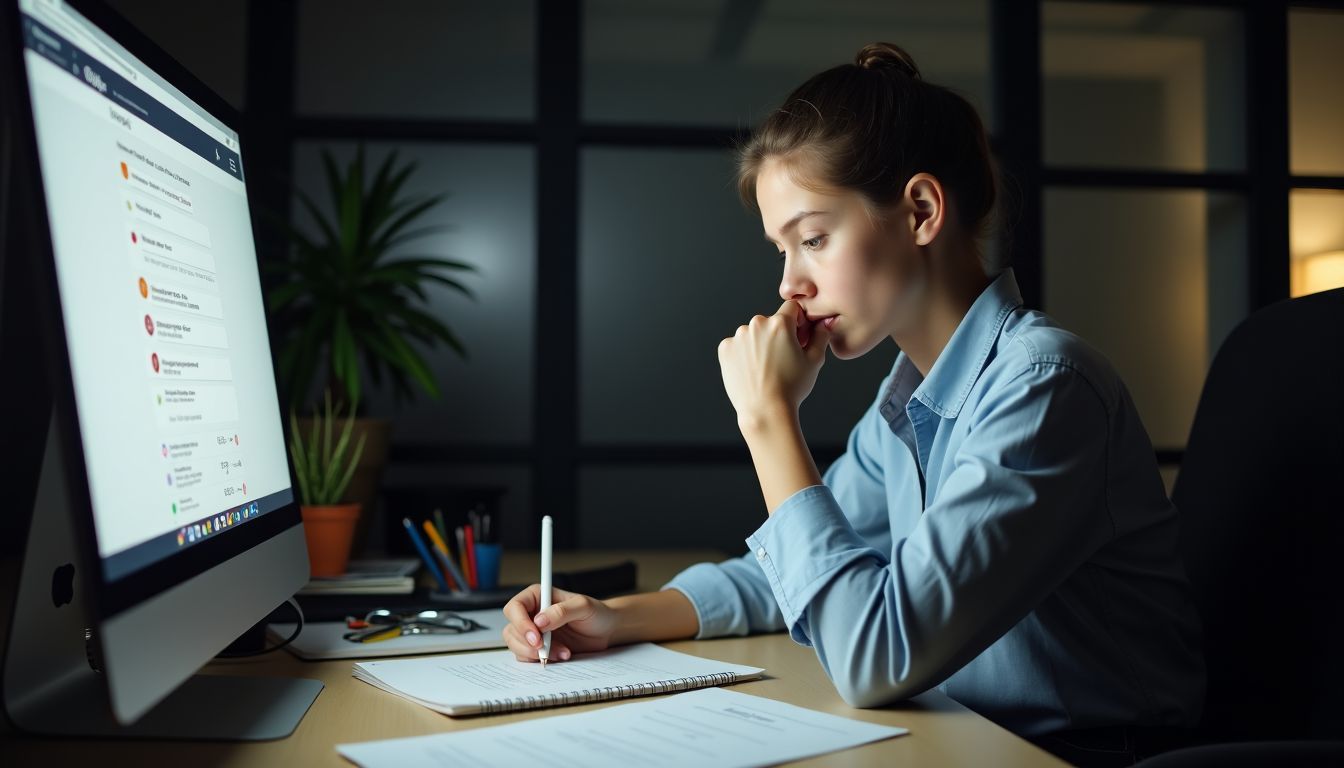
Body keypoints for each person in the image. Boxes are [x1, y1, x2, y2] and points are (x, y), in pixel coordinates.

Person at [502, 42, 1204, 766]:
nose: (789, 284)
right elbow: (798, 574)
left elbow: (876, 657)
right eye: (783, 249)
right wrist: (615, 619)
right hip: (960, 738)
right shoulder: (905, 401)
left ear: (921, 211)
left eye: (813, 238)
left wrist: (768, 420)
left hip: (1078, 755)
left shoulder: (1045, 388)